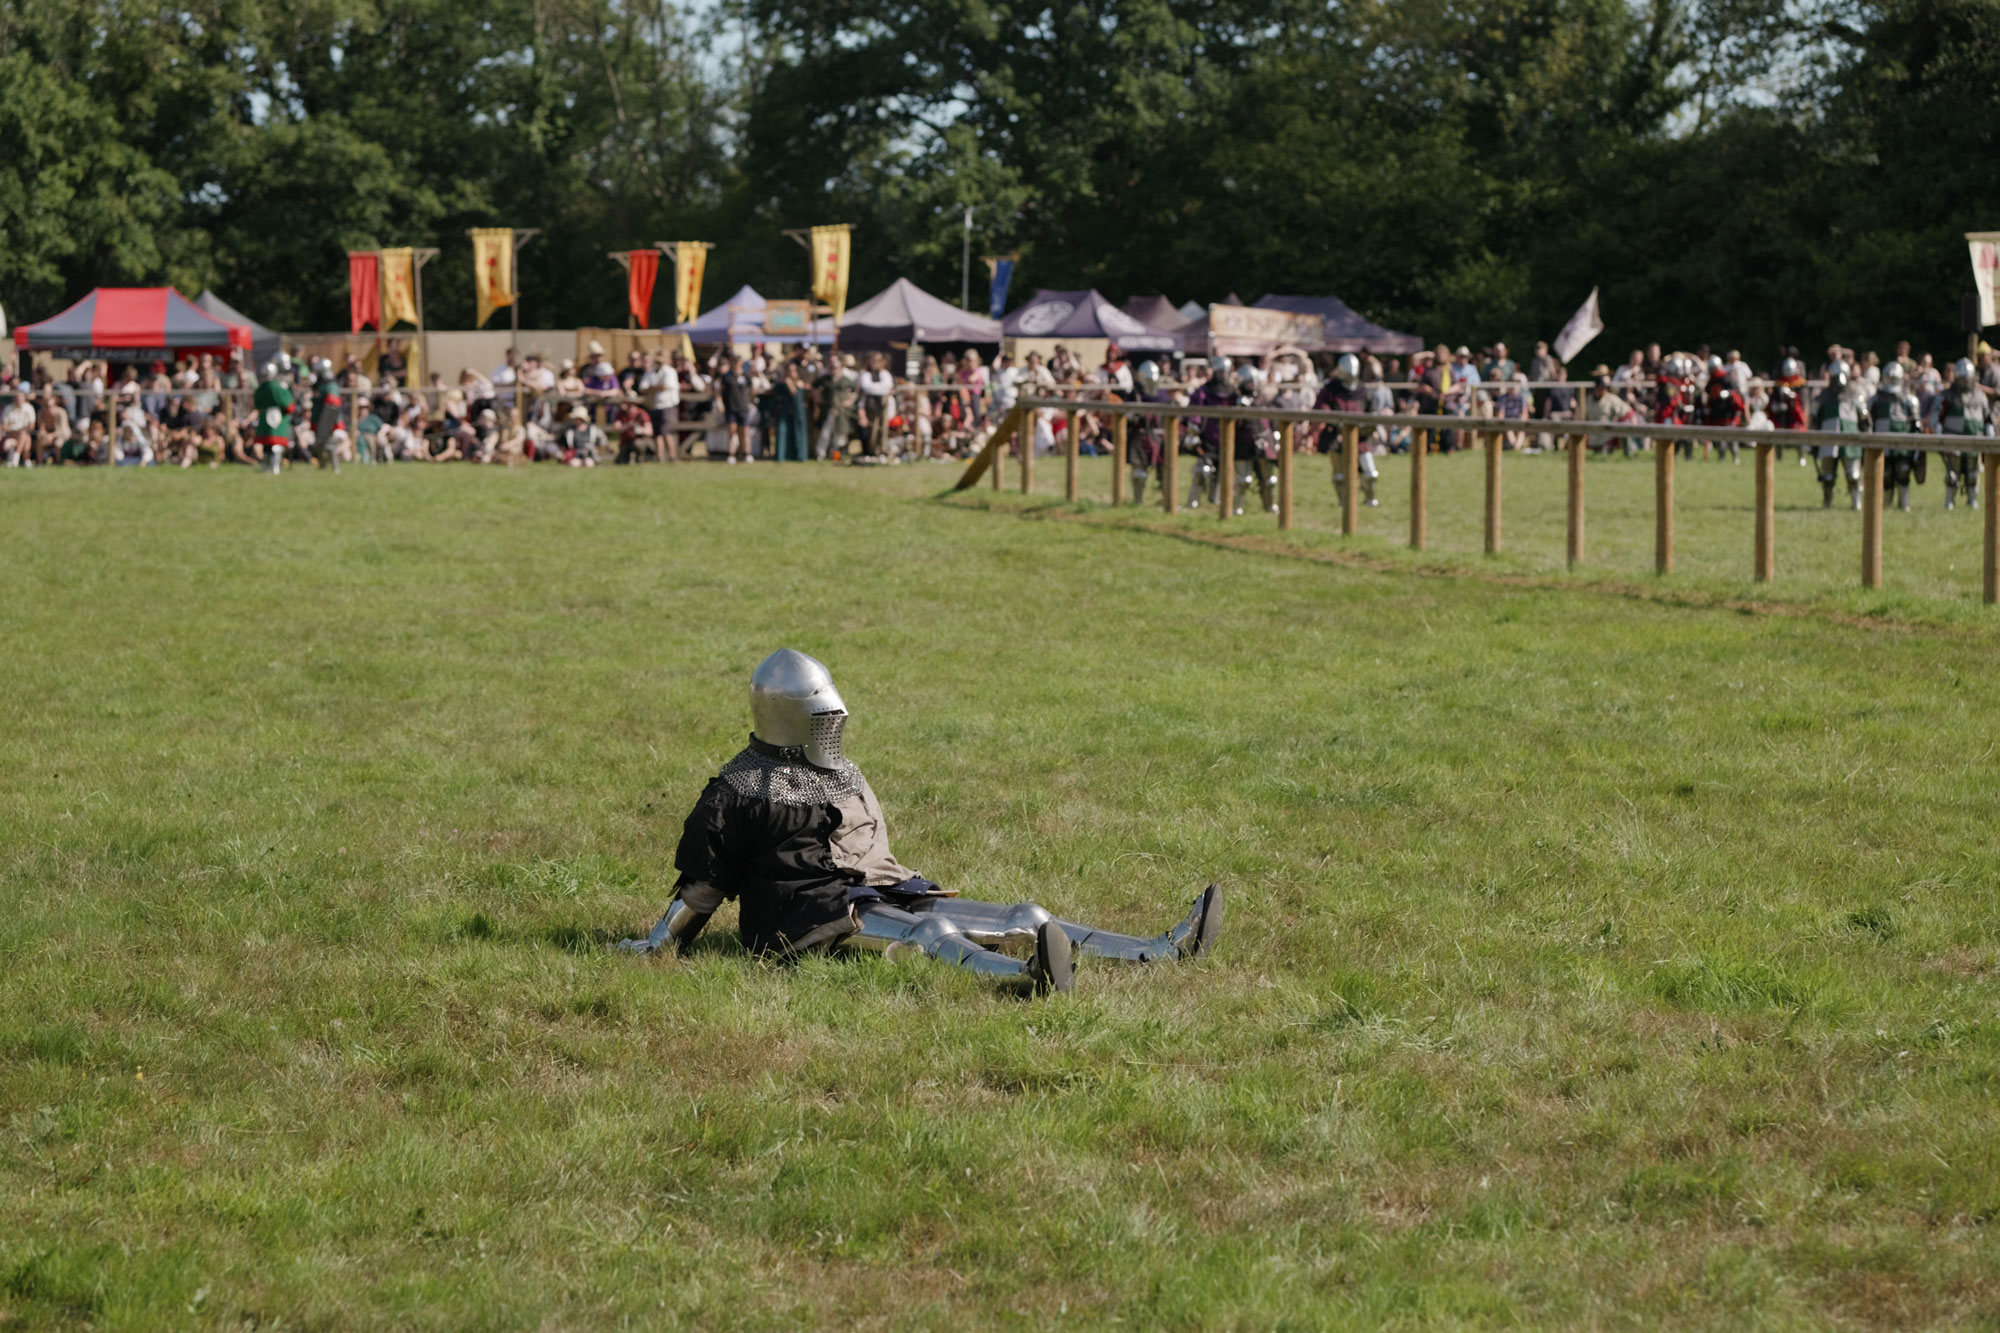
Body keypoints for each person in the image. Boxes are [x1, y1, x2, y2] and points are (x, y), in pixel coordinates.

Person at [616, 650, 1221, 994]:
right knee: (931, 938)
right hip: (800, 920)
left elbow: (864, 850)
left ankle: (1156, 952)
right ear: (789, 717)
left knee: (1025, 915)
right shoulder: (736, 790)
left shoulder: (838, 772)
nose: (833, 725)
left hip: (861, 891)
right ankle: (1024, 979)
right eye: (819, 715)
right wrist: (657, 944)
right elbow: (702, 890)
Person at [1927, 358, 1990, 511]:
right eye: (1962, 378)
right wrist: (1938, 433)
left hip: (1974, 438)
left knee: (1972, 473)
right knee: (1952, 473)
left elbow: (1987, 418)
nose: (1965, 382)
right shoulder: (1947, 395)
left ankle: (1972, 501)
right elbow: (1936, 416)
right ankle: (1949, 502)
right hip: (1953, 438)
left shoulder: (1980, 395)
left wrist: (1989, 437)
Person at [1868, 361, 1924, 511]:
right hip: (1882, 440)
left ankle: (1904, 504)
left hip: (1902, 441)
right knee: (1884, 472)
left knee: (1903, 470)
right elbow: (1868, 423)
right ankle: (1885, 505)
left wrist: (1916, 447)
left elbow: (1916, 425)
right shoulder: (1875, 399)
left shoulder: (1909, 399)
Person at [1812, 362, 1864, 509]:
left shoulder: (1854, 394)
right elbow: (1814, 419)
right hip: (1828, 436)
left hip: (1850, 435)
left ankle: (1856, 503)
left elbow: (1864, 419)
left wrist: (1865, 437)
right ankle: (1827, 503)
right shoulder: (1823, 396)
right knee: (1827, 475)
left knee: (1853, 474)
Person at [1701, 355, 1746, 462]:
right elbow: (1709, 394)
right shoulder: (1712, 380)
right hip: (1717, 412)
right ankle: (1721, 458)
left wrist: (1729, 394)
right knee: (1719, 439)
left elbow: (1736, 394)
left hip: (1728, 413)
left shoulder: (1726, 379)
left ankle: (1735, 458)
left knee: (1731, 438)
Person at [714, 354, 755, 463]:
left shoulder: (746, 377)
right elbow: (719, 391)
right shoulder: (727, 376)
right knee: (732, 431)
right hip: (731, 408)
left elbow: (752, 391)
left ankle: (747, 453)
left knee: (744, 432)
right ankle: (731, 454)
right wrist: (720, 403)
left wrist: (748, 401)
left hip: (743, 408)